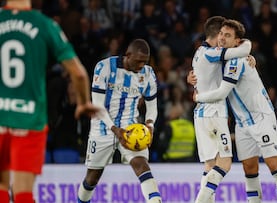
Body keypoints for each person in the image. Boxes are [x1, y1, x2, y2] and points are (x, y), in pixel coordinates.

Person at [0, 1, 99, 202]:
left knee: (1, 186)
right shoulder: (45, 24)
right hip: (30, 119)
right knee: (23, 192)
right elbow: (79, 74)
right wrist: (83, 102)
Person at [191, 19, 277, 203]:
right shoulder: (222, 56)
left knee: (274, 165)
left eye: (228, 35)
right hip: (241, 123)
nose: (222, 38)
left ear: (237, 42)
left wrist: (197, 97)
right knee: (249, 168)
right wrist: (191, 78)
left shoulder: (237, 62)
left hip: (260, 117)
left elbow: (222, 92)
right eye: (221, 33)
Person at [77, 39, 162, 203]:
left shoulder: (148, 74)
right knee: (92, 178)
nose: (141, 66)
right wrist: (115, 129)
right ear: (128, 55)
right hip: (102, 127)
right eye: (138, 61)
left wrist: (150, 125)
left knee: (141, 165)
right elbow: (97, 104)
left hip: (131, 129)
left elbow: (152, 107)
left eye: (145, 62)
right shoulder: (104, 67)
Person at [190, 16, 252, 203]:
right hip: (213, 113)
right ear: (217, 35)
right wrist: (245, 44)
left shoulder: (199, 52)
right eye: (223, 35)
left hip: (201, 114)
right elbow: (245, 48)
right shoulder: (212, 53)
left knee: (210, 165)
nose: (224, 39)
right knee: (224, 163)